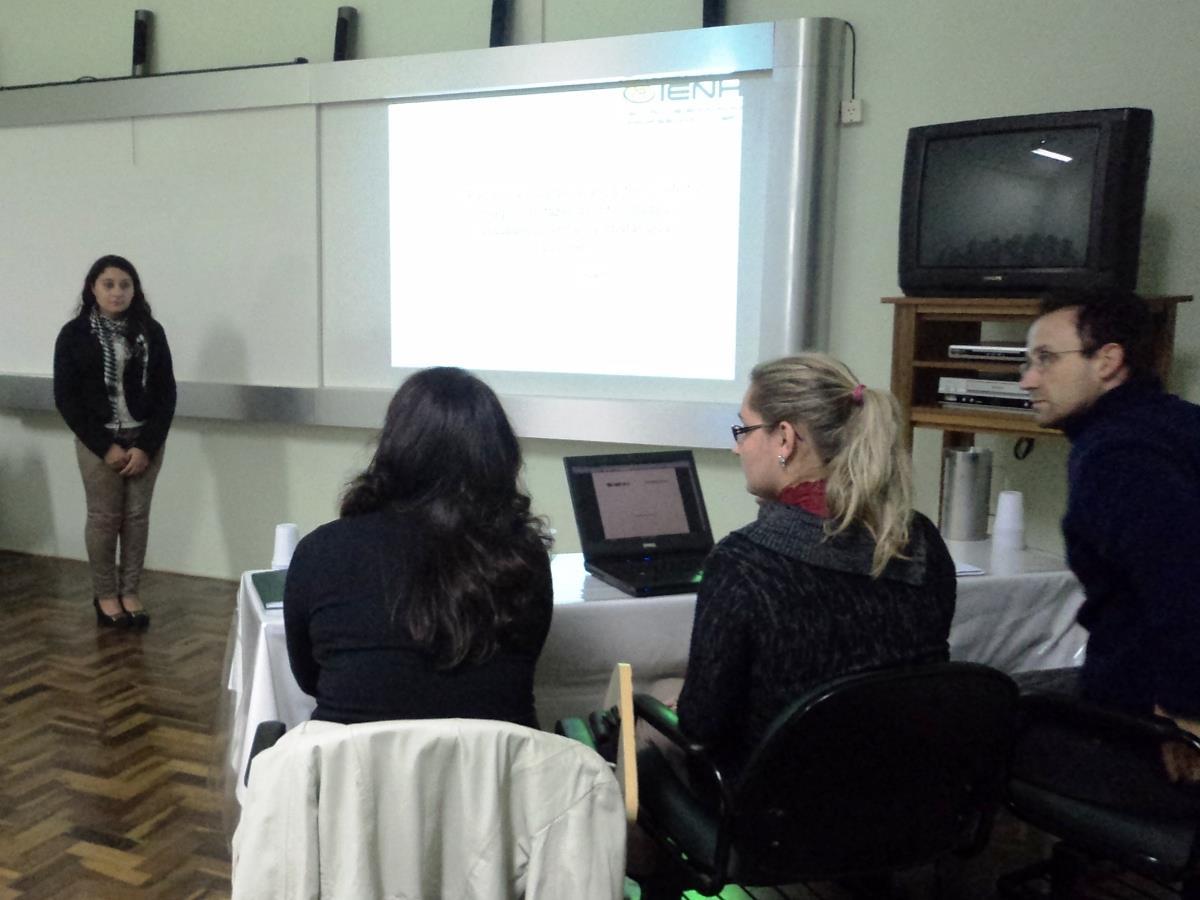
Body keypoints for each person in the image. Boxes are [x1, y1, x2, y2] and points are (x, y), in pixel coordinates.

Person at [669, 353, 957, 774]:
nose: (737, 448)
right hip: (908, 801)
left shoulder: (743, 562)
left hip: (772, 814)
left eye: (743, 430)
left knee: (644, 705)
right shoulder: (920, 541)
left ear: (784, 438)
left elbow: (701, 728)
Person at [283, 366, 554, 728]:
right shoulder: (523, 559)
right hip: (493, 782)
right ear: (498, 456)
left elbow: (309, 679)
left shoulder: (321, 552)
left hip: (354, 780)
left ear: (394, 448)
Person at [1017, 290, 1200, 772]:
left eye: (1046, 360)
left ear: (1108, 361)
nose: (1027, 380)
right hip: (1149, 682)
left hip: (1143, 719)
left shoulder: (1116, 458)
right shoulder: (1178, 422)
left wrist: (1185, 712)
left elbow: (1183, 585)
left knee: (987, 710)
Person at [53, 255, 176, 630]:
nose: (117, 291)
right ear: (93, 288)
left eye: (125, 284)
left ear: (134, 290)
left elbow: (166, 393)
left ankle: (130, 591)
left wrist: (146, 447)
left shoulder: (150, 331)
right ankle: (105, 594)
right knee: (105, 519)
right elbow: (66, 398)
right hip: (98, 442)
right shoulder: (74, 335)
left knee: (137, 519)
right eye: (108, 284)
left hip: (144, 441)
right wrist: (106, 448)